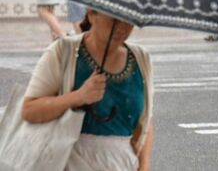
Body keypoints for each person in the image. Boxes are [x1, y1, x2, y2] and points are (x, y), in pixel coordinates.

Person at [22, 10, 154, 171]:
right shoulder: (63, 51)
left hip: (122, 163)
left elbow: (145, 121)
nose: (122, 27)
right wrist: (78, 96)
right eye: (114, 20)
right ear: (92, 14)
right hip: (69, 162)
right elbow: (30, 110)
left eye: (129, 20)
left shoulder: (140, 57)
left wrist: (144, 166)